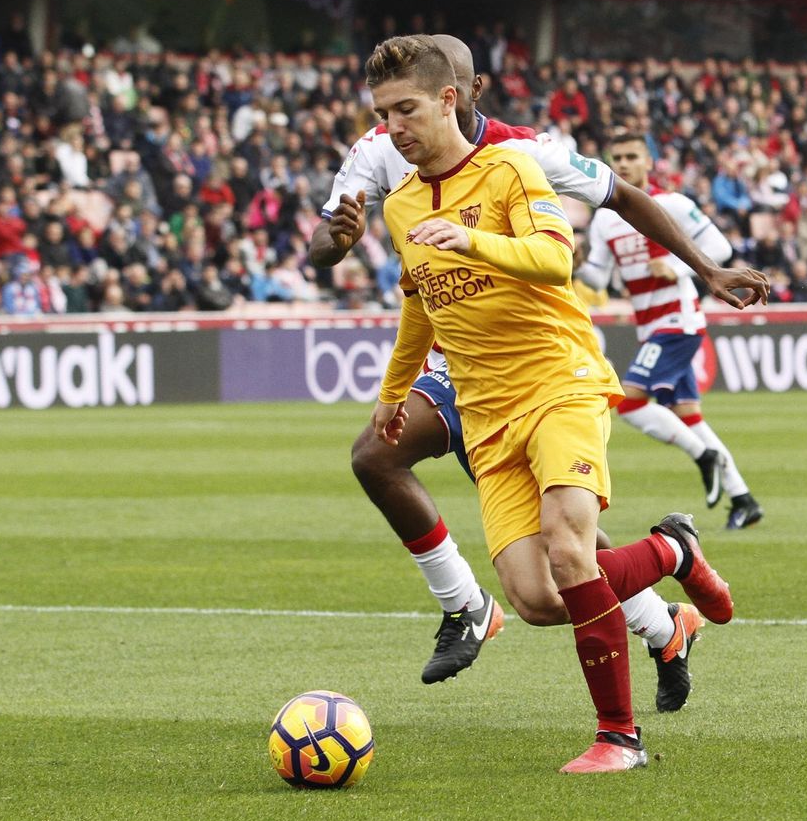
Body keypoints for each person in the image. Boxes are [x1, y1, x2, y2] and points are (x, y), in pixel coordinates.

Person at [310, 35, 768, 709]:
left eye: (415, 105)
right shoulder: (384, 150)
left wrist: (706, 269)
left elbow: (623, 199)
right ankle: (471, 604)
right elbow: (329, 241)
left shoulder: (524, 155)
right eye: (389, 112)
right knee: (382, 460)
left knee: (568, 546)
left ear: (462, 94)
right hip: (459, 364)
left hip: (540, 365)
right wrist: (340, 242)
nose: (397, 124)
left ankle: (656, 631)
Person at [581, 133, 764, 529]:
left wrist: (678, 268)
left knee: (629, 402)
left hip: (678, 321)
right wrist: (575, 260)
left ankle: (704, 457)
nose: (624, 164)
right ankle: (743, 499)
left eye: (632, 156)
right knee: (689, 417)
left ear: (649, 162)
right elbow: (597, 276)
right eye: (618, 157)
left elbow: (720, 247)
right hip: (650, 326)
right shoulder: (605, 219)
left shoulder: (674, 204)